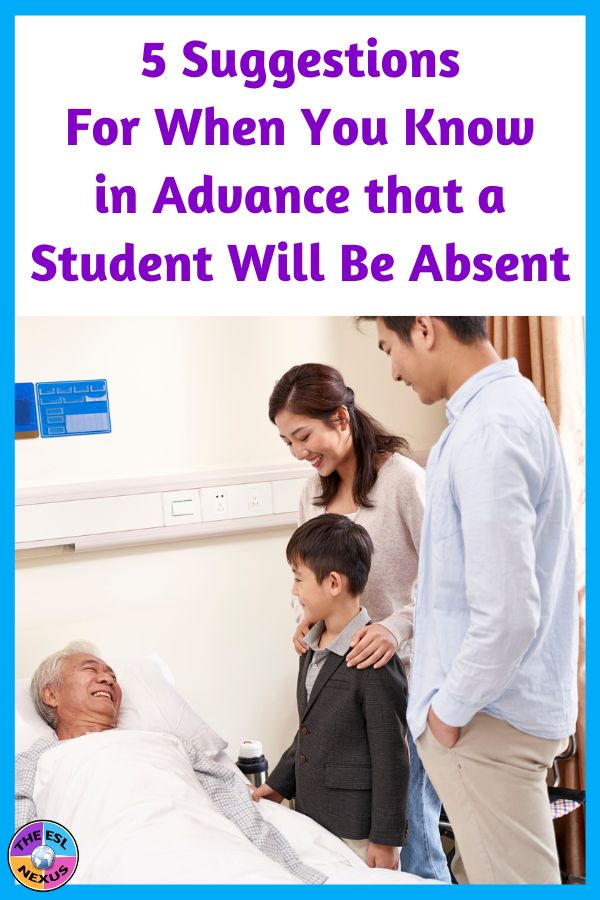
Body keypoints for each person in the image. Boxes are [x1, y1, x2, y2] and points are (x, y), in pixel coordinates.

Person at [364, 315, 578, 884]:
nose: (393, 370)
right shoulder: (510, 409)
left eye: (391, 348)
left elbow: (508, 613)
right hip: (499, 715)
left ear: (426, 329)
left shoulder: (490, 429)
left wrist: (446, 713)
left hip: (487, 722)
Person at [268, 362, 450, 881]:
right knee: (346, 850)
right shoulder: (314, 494)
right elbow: (307, 574)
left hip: (405, 685)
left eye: (304, 436)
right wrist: (303, 622)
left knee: (406, 838)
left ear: (341, 418)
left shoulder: (403, 483)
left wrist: (397, 626)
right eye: (288, 443)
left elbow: (447, 583)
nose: (301, 452)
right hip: (340, 683)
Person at [16, 641, 326, 884]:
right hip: (117, 859)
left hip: (213, 849)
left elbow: (234, 803)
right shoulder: (37, 759)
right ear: (50, 695)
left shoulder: (167, 741)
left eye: (112, 674)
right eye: (90, 670)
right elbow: (20, 838)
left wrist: (292, 870)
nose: (108, 679)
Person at [252, 514, 409, 870]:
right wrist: (277, 785)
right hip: (312, 820)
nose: (293, 590)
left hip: (356, 831)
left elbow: (392, 759)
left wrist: (386, 840)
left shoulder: (374, 658)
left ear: (333, 583)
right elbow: (310, 732)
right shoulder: (311, 645)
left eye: (298, 578)